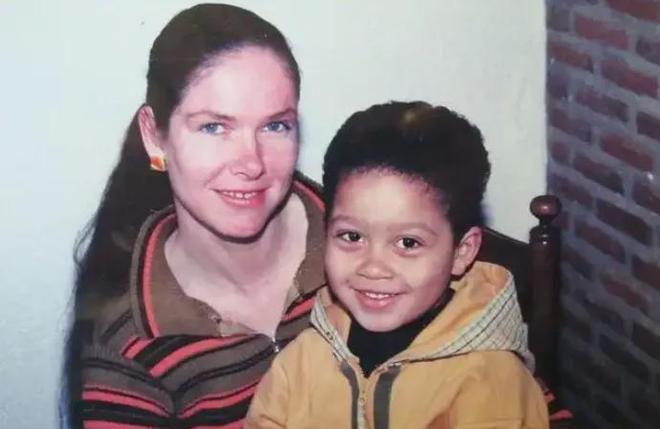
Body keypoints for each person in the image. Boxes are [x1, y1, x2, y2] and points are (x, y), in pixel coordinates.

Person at [63, 4, 327, 428]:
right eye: (213, 127)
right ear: (154, 136)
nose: (251, 163)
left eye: (275, 126)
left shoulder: (371, 242)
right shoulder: (126, 346)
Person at [245, 101, 549, 428]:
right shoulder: (301, 361)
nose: (373, 268)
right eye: (351, 236)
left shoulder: (491, 380)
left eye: (408, 243)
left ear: (462, 252)